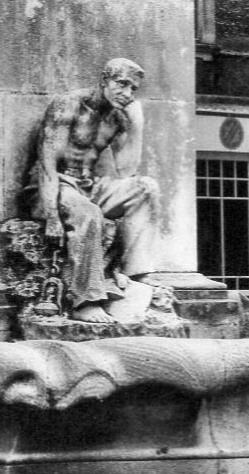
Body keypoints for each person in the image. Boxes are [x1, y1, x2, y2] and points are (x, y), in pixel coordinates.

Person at [26, 58, 161, 323]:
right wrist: (52, 216)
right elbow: (47, 163)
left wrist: (137, 124)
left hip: (89, 185)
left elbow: (126, 171)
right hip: (54, 185)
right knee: (88, 213)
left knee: (146, 188)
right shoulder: (70, 104)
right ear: (103, 80)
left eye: (133, 89)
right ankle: (85, 301)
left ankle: (135, 274)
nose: (127, 93)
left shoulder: (117, 117)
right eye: (121, 84)